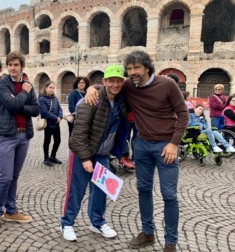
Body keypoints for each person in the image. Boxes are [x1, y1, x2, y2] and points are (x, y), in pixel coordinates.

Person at [85, 51, 188, 252]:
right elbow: (109, 86)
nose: (132, 72)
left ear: (147, 68)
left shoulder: (167, 85)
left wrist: (174, 143)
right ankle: (148, 233)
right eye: (130, 68)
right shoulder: (129, 86)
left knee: (169, 195)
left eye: (137, 68)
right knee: (143, 190)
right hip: (141, 145)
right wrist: (91, 88)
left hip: (165, 146)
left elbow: (183, 114)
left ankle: (170, 243)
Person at [60, 65, 127, 241]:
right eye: (111, 80)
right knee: (77, 190)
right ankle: (67, 223)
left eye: (118, 81)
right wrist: (85, 158)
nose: (115, 84)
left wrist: (120, 152)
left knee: (100, 191)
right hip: (84, 153)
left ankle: (97, 222)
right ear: (104, 81)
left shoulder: (121, 101)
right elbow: (77, 135)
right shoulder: (90, 100)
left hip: (103, 154)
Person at [0, 51, 40, 232]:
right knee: (6, 177)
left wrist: (19, 102)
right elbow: (11, 105)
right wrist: (21, 97)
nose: (12, 68)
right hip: (6, 135)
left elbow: (35, 109)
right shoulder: (2, 84)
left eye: (16, 65)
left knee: (15, 176)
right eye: (10, 65)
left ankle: (11, 211)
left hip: (23, 135)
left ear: (21, 67)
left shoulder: (28, 85)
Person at [38, 81, 63, 167]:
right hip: (48, 124)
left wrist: (60, 117)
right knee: (47, 141)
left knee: (58, 141)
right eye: (50, 87)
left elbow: (60, 109)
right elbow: (44, 112)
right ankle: (46, 158)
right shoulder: (41, 99)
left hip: (56, 124)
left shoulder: (55, 98)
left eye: (53, 88)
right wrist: (56, 118)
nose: (52, 89)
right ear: (46, 88)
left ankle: (53, 156)